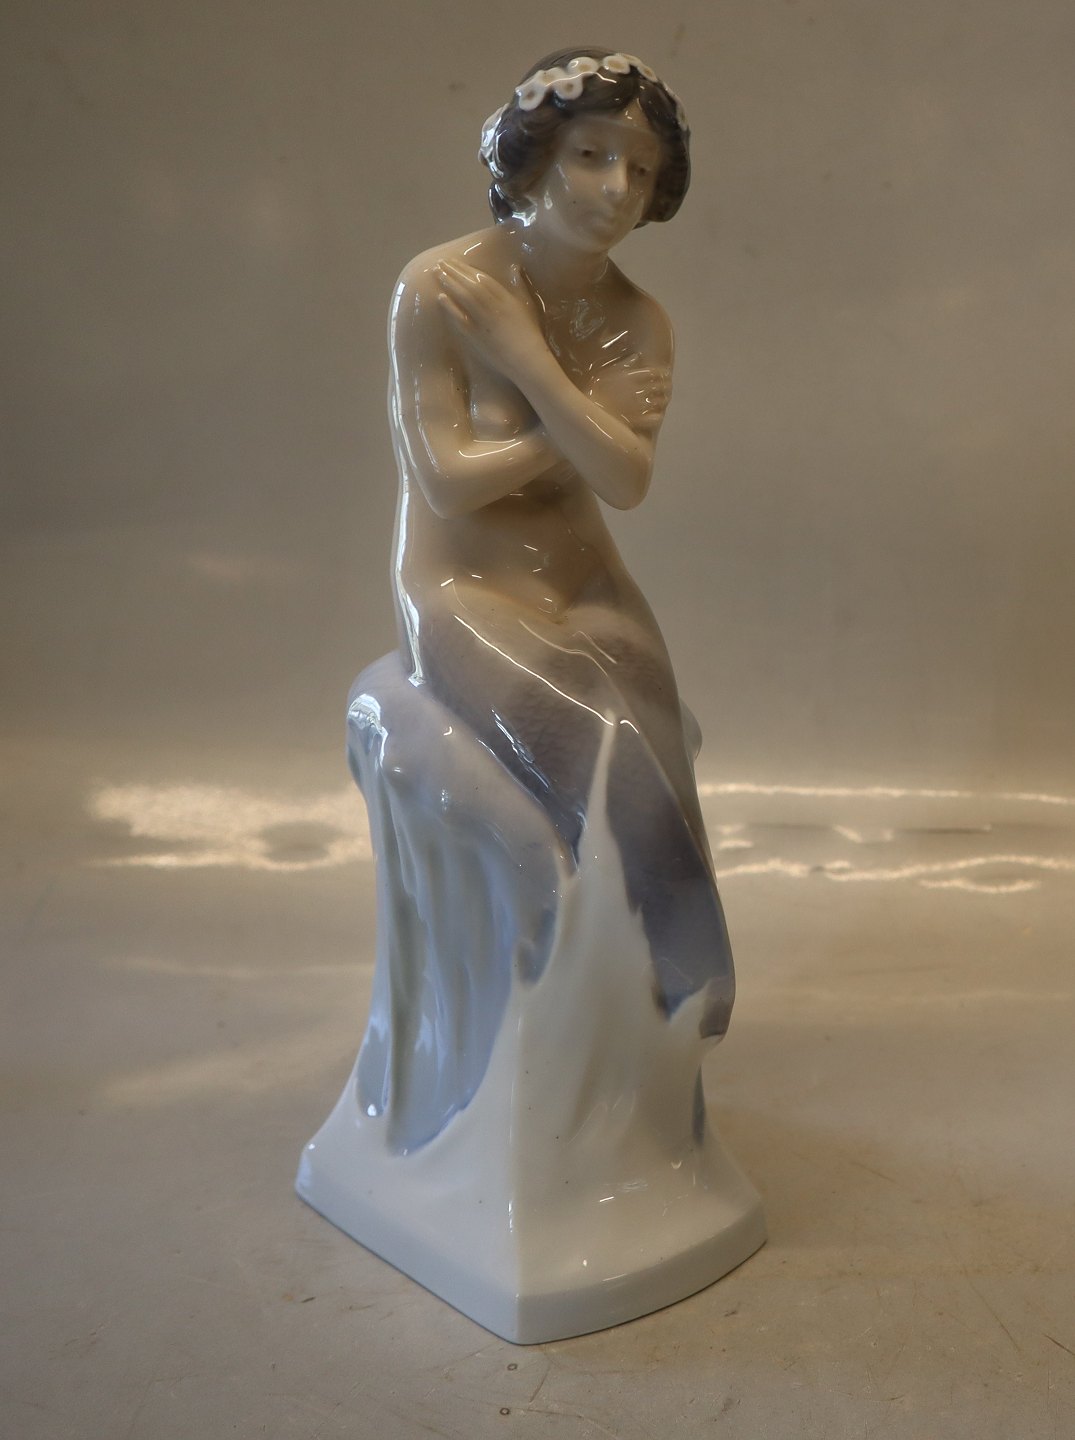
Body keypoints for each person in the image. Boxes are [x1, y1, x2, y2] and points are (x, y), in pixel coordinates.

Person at [352, 50, 734, 1150]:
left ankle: (652, 1040)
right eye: (591, 156)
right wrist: (574, 415)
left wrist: (525, 363)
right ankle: (687, 978)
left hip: (586, 580)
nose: (615, 188)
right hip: (460, 586)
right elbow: (446, 479)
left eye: (638, 170)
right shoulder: (439, 286)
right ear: (531, 160)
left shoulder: (640, 320)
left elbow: (626, 483)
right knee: (600, 740)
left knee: (655, 720)